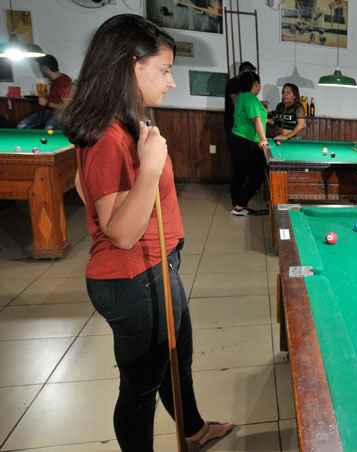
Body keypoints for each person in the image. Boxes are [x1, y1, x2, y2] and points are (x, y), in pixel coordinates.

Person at [60, 14, 233, 451]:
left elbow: (86, 190)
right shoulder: (108, 136)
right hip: (133, 279)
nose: (171, 81)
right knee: (139, 391)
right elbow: (119, 234)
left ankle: (192, 431)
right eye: (165, 69)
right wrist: (151, 169)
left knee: (177, 362)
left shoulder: (122, 125)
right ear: (132, 66)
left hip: (156, 267)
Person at [229, 71, 269, 216]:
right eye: (259, 84)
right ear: (256, 84)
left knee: (240, 173)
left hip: (239, 139)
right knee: (258, 174)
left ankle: (238, 204)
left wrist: (268, 119)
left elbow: (255, 117)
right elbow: (256, 120)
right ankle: (240, 206)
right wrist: (264, 139)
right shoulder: (250, 98)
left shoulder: (241, 97)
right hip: (246, 141)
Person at [17, 55, 72, 129]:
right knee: (22, 125)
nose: (40, 70)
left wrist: (47, 103)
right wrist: (45, 97)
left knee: (49, 128)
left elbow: (66, 106)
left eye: (40, 67)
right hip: (48, 112)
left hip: (59, 114)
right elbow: (55, 98)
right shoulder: (55, 80)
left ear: (45, 68)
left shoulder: (64, 81)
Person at [223, 61, 256, 144]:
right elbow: (236, 102)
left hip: (244, 124)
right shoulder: (233, 83)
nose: (252, 77)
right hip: (234, 123)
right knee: (237, 151)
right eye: (251, 74)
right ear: (244, 72)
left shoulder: (246, 84)